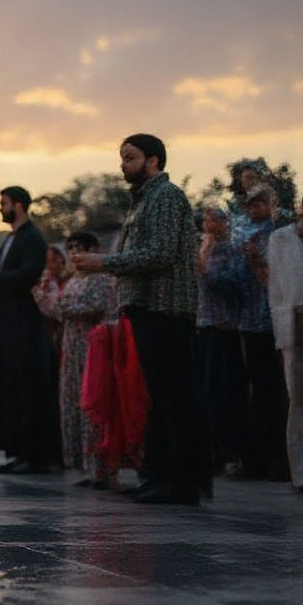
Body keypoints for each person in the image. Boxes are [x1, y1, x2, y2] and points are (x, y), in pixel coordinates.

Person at [70, 134, 210, 505]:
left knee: (175, 397)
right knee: (158, 397)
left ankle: (183, 483)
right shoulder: (142, 201)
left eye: (130, 158)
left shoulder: (165, 196)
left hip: (166, 307)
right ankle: (160, 475)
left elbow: (160, 254)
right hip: (146, 308)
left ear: (153, 161)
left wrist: (104, 264)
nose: (123, 165)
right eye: (122, 158)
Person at [0, 186, 60, 475]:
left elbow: (25, 276)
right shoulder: (12, 238)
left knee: (26, 386)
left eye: (3, 203)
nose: (0, 208)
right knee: (10, 387)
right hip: (7, 323)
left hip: (23, 325)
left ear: (18, 206)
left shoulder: (32, 237)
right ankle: (18, 451)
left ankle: (34, 454)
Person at [55, 232, 118, 486]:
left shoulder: (102, 278)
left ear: (94, 250)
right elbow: (60, 309)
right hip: (72, 348)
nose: (73, 255)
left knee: (95, 404)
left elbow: (94, 306)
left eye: (79, 249)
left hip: (93, 348)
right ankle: (87, 467)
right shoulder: (73, 280)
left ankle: (104, 468)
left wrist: (62, 307)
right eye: (70, 249)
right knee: (74, 404)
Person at [237, 186, 289, 480]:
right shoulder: (243, 236)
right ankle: (261, 459)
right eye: (251, 204)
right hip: (252, 323)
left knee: (281, 393)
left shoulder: (283, 234)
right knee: (259, 394)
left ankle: (283, 461)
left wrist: (259, 262)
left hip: (279, 323)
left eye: (261, 203)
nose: (255, 208)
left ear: (273, 204)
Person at [196, 204, 249, 472]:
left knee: (223, 390)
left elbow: (235, 282)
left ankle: (230, 450)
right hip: (202, 325)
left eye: (214, 219)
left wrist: (206, 271)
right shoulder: (202, 248)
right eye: (206, 219)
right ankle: (210, 450)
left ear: (224, 222)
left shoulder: (232, 248)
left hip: (224, 326)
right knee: (204, 391)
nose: (209, 224)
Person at [267, 192, 303, 492]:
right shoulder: (282, 238)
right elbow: (278, 287)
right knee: (300, 400)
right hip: (296, 322)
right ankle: (302, 473)